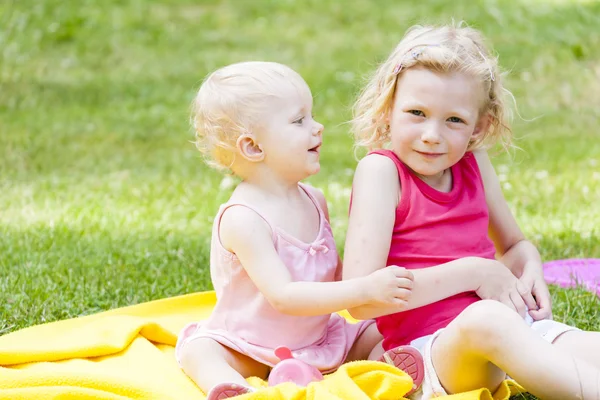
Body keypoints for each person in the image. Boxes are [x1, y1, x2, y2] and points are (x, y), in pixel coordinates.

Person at [343, 23, 600, 400]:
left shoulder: (473, 164)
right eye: (416, 112)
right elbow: (362, 298)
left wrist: (530, 266)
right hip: (432, 353)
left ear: (478, 127)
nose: (433, 134)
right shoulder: (382, 173)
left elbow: (513, 245)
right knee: (487, 321)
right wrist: (474, 273)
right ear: (387, 109)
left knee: (589, 346)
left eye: (454, 120)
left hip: (514, 329)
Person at [175, 61, 422, 400]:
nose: (317, 127)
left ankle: (384, 369)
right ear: (253, 147)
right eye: (299, 120)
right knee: (200, 349)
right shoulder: (244, 219)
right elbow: (284, 296)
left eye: (312, 115)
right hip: (249, 345)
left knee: (380, 329)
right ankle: (233, 388)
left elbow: (332, 278)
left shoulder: (314, 200)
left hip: (318, 338)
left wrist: (372, 277)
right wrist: (363, 289)